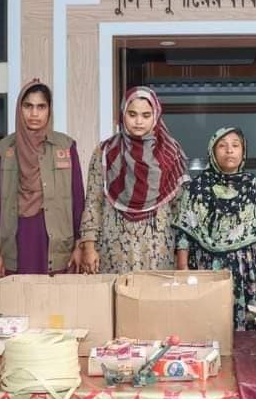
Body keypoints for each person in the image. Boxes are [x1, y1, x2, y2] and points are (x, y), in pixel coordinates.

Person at [174, 127, 256, 330]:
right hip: (207, 269)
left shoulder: (255, 188)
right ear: (212, 151)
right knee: (207, 327)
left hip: (247, 270)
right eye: (222, 145)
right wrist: (183, 269)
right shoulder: (196, 188)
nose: (229, 150)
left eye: (235, 145)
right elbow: (184, 232)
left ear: (243, 151)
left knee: (248, 335)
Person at [80, 86, 189, 274]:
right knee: (118, 291)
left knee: (156, 291)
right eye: (132, 114)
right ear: (123, 114)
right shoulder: (105, 151)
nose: (139, 121)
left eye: (146, 115)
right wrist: (89, 247)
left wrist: (182, 256)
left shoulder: (171, 153)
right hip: (114, 246)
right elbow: (93, 202)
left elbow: (182, 210)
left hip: (158, 247)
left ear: (156, 116)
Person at [0, 79, 85, 276]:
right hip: (17, 239)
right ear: (19, 109)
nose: (34, 113)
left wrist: (79, 245)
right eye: (28, 106)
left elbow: (78, 199)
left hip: (57, 242)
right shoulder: (3, 150)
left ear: (49, 110)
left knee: (55, 296)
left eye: (41, 106)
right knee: (19, 295)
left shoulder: (65, 146)